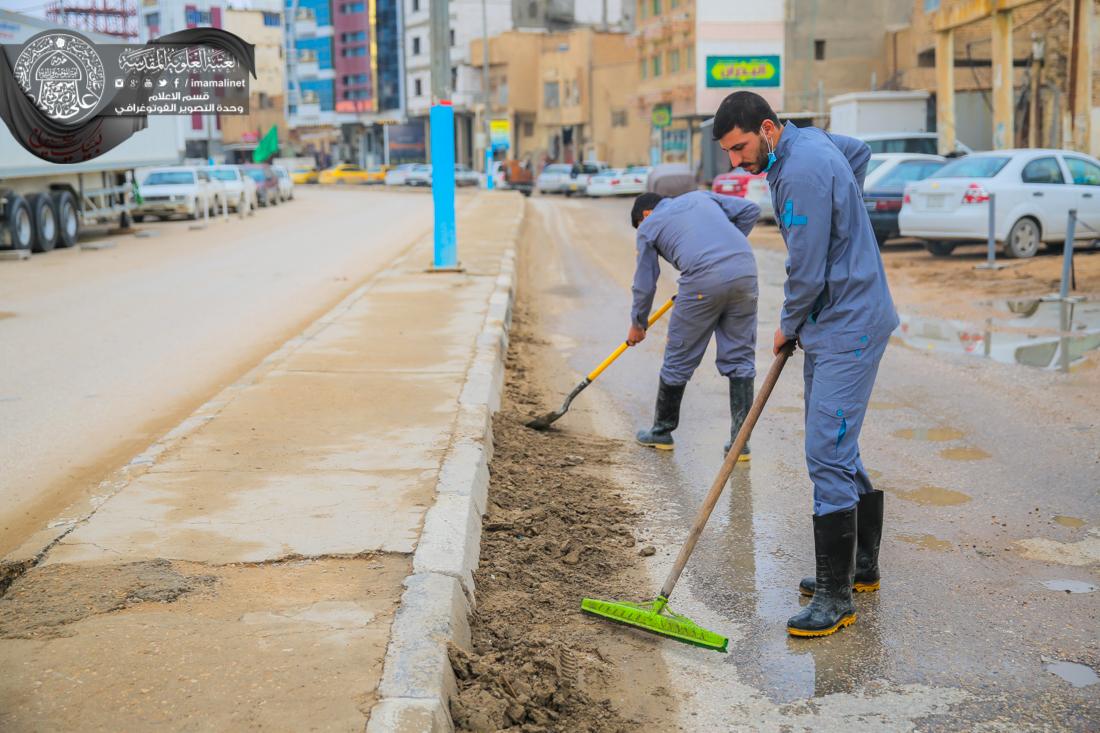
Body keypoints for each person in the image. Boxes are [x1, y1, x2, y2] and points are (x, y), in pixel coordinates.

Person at [711, 91, 899, 638]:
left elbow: (807, 269)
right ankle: (860, 568)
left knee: (825, 450)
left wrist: (786, 325)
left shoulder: (800, 172)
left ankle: (836, 598)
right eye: (729, 152)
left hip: (849, 324)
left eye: (741, 147)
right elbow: (858, 153)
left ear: (768, 129)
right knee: (837, 444)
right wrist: (846, 217)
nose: (737, 161)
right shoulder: (811, 142)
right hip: (835, 320)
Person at [628, 190, 761, 458]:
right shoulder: (701, 197)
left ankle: (661, 431)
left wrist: (638, 323)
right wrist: (724, 252)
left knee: (678, 355)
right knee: (740, 357)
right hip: (745, 270)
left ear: (645, 215)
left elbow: (645, 282)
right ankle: (740, 443)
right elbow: (750, 210)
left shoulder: (649, 226)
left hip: (702, 279)